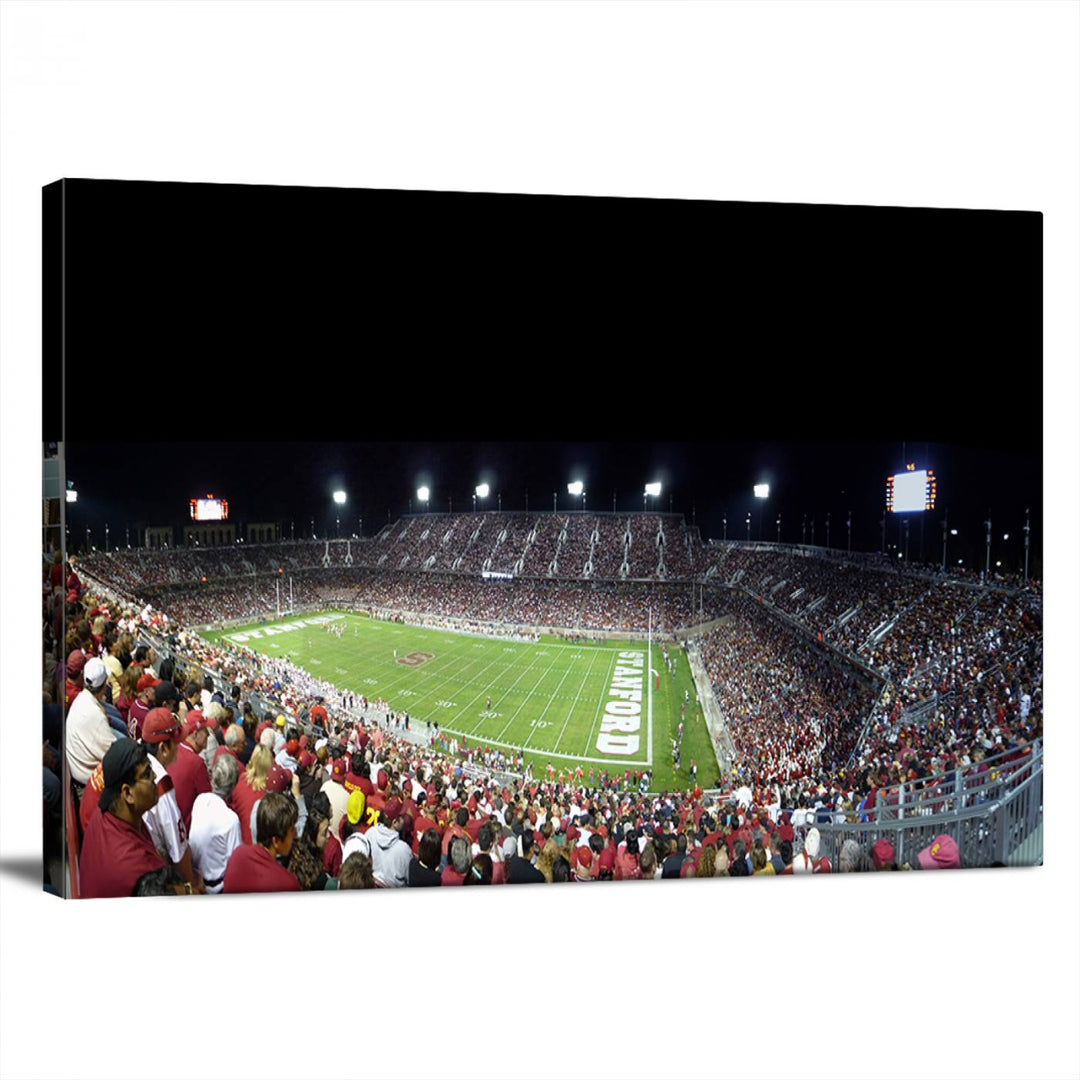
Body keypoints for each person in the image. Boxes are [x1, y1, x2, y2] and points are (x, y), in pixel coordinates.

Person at [79, 739, 166, 899]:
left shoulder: (102, 813)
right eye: (147, 774)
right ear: (127, 793)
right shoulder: (139, 869)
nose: (154, 776)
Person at [222, 792, 300, 893]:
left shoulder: (238, 854)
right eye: (292, 830)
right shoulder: (288, 884)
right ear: (275, 841)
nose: (295, 834)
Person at [188, 753, 242, 894]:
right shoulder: (231, 819)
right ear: (234, 785)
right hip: (216, 888)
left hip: (195, 880)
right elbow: (236, 863)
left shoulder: (200, 800)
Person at [65, 656, 117, 790]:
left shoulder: (82, 699)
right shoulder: (94, 715)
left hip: (80, 770)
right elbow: (115, 753)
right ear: (104, 685)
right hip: (88, 781)